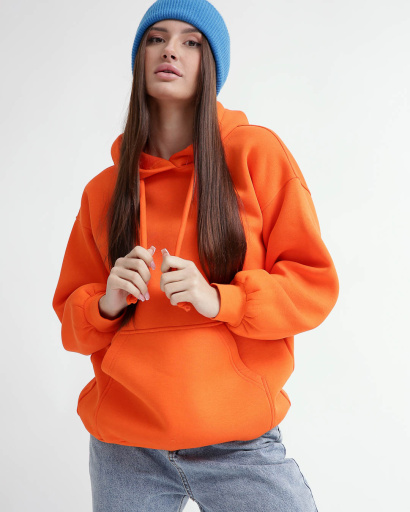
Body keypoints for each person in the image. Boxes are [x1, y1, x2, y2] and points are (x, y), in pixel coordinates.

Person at [52, 0, 339, 510]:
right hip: (126, 448)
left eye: (191, 42)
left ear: (212, 66)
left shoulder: (255, 155)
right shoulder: (104, 192)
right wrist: (106, 304)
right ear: (139, 58)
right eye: (156, 38)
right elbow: (71, 326)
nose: (170, 51)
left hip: (239, 442)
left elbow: (313, 286)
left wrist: (222, 300)